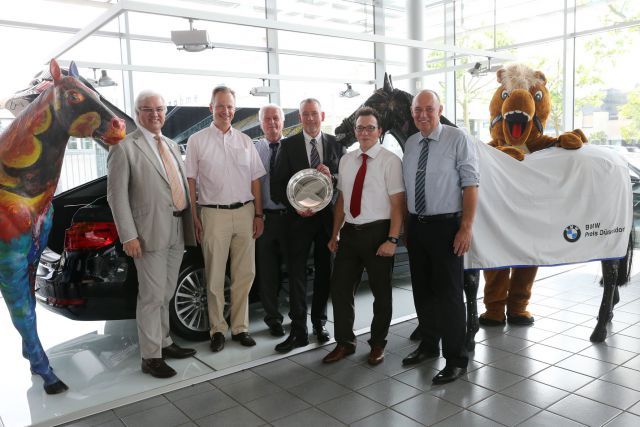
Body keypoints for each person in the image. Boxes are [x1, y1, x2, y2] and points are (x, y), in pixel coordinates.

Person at [107, 90, 196, 379]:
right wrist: (128, 236)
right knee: (151, 296)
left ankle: (165, 341)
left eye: (159, 108)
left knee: (166, 292)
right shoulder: (124, 149)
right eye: (147, 109)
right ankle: (150, 356)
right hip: (147, 233)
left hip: (176, 227)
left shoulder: (171, 145)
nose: (154, 114)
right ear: (136, 113)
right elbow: (116, 197)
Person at [402, 89, 479, 384]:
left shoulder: (458, 138)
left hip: (447, 227)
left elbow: (471, 184)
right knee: (422, 291)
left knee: (449, 296)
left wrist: (466, 227)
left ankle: (457, 359)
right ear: (412, 113)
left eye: (428, 109)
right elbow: (409, 188)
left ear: (440, 109)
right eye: (417, 110)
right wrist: (408, 228)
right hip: (417, 227)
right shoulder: (410, 143)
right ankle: (429, 346)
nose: (422, 114)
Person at [185, 86, 266, 353]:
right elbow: (191, 181)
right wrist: (194, 216)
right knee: (215, 277)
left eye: (230, 106)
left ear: (234, 109)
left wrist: (258, 213)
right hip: (213, 214)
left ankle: (240, 328)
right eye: (220, 106)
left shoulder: (245, 141)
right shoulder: (197, 140)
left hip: (244, 212)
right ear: (211, 108)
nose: (226, 111)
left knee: (245, 273)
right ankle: (218, 329)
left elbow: (256, 180)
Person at [323, 107, 405, 366]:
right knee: (340, 289)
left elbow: (397, 205)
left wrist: (392, 240)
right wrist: (335, 233)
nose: (365, 132)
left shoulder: (390, 161)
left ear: (380, 132)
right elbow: (342, 200)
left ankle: (378, 344)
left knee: (381, 293)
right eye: (360, 128)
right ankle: (345, 342)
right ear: (355, 131)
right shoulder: (347, 160)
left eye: (370, 128)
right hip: (350, 233)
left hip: (378, 232)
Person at [271, 98, 345, 353]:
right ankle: (298, 331)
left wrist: (331, 176)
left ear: (322, 115)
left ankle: (320, 324)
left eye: (314, 114)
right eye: (305, 114)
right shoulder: (288, 145)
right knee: (297, 276)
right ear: (299, 118)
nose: (311, 119)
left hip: (327, 222)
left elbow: (344, 181)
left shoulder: (336, 144)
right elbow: (277, 185)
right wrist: (295, 206)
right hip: (297, 221)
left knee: (326, 274)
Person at [255, 104, 288, 337]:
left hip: (291, 219)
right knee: (267, 273)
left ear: (283, 121)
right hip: (265, 218)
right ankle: (273, 318)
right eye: (267, 119)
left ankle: (297, 317)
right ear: (261, 124)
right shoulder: (254, 149)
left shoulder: (293, 148)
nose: (272, 123)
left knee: (295, 271)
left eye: (276, 118)